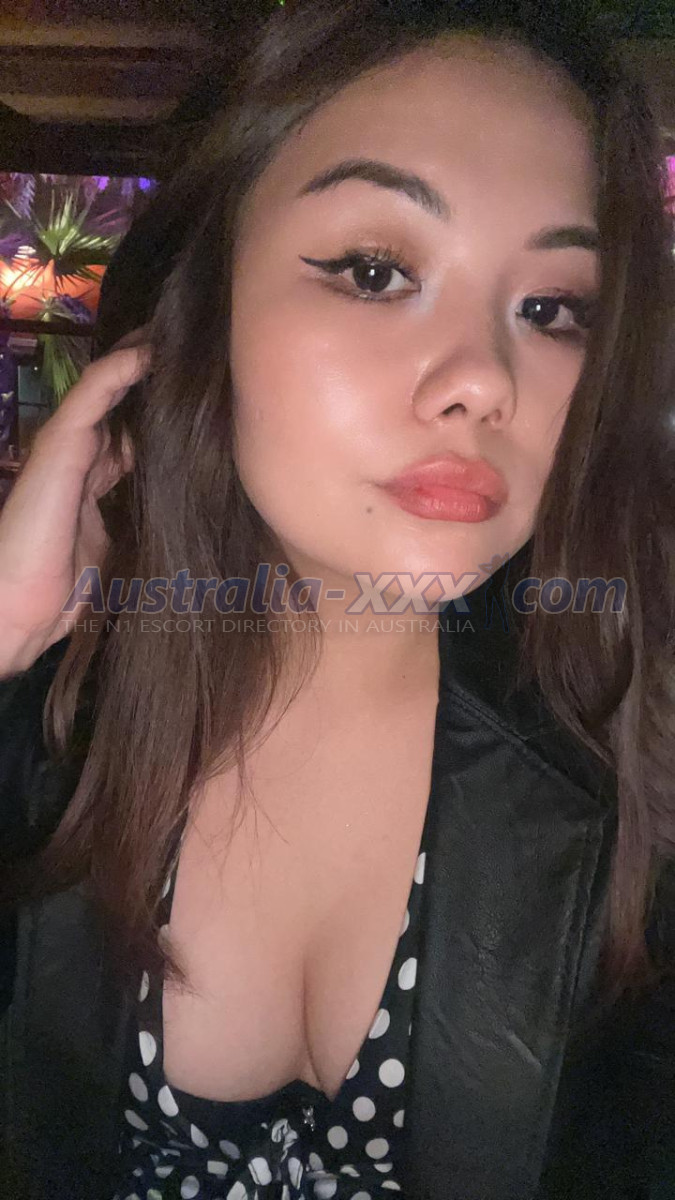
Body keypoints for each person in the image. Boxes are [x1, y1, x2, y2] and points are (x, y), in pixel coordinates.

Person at [0, 0, 674, 1197]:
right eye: (375, 271)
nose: (483, 382)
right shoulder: (52, 713)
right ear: (202, 308)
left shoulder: (637, 736)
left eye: (552, 308)